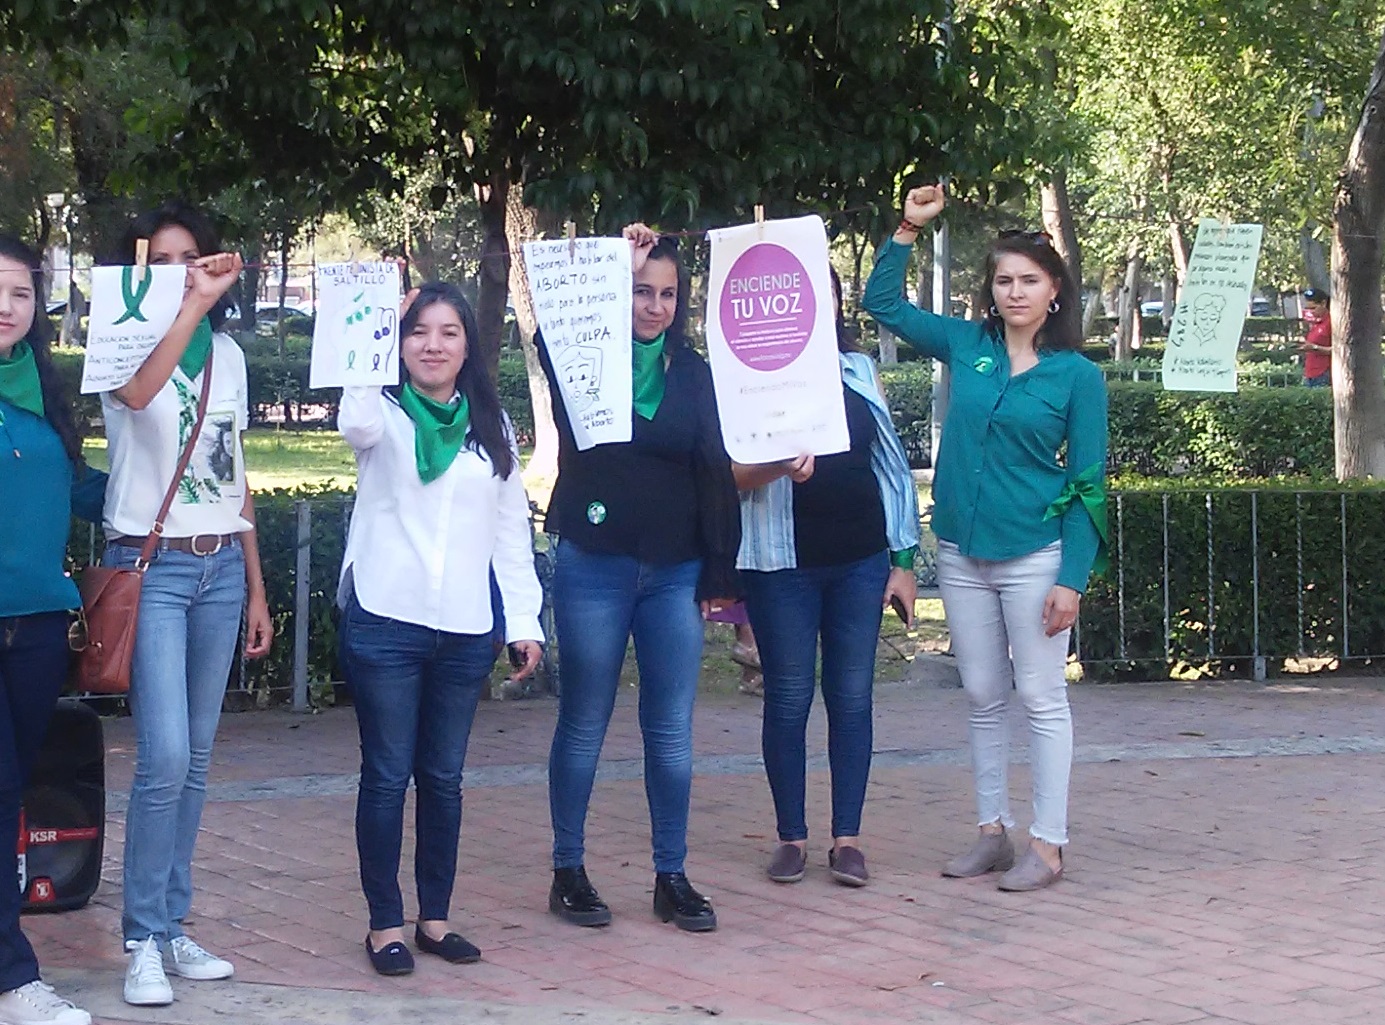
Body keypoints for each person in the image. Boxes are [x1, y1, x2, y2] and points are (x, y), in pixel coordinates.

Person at [864, 185, 1108, 892]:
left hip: (1035, 555)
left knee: (1041, 696)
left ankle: (1048, 844)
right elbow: (884, 304)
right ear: (990, 291)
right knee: (980, 693)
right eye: (1003, 281)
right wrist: (907, 227)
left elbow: (1088, 484)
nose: (1015, 292)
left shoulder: (1077, 376)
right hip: (961, 553)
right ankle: (991, 831)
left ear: (1054, 290)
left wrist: (1072, 579)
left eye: (1028, 280)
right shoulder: (967, 345)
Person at [336, 281, 544, 976]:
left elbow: (510, 532)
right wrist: (376, 324)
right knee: (386, 775)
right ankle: (384, 925)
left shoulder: (491, 425)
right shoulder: (381, 412)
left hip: (463, 626)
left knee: (444, 779)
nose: (432, 345)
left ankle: (435, 919)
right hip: (385, 620)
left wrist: (524, 621)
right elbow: (353, 423)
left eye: (448, 332)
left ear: (468, 345)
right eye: (417, 331)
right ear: (399, 344)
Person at [541, 225, 740, 933]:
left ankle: (671, 874)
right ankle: (568, 870)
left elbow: (713, 469)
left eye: (667, 293)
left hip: (673, 572)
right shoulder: (585, 359)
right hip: (594, 564)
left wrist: (719, 569)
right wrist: (610, 268)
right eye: (639, 291)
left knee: (671, 729)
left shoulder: (694, 373)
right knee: (584, 720)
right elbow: (550, 336)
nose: (654, 306)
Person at [100, 203, 273, 1006]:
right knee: (164, 756)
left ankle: (171, 923)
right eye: (161, 261)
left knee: (197, 757)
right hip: (153, 568)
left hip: (219, 568)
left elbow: (234, 472)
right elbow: (140, 396)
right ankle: (140, 935)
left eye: (190, 257)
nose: (178, 271)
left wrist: (257, 585)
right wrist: (191, 305)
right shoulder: (121, 344)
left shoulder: (228, 355)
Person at [734, 266, 920, 888]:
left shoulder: (858, 370)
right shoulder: (750, 379)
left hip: (860, 562)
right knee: (788, 698)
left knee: (852, 697)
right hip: (780, 565)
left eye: (824, 292)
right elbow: (726, 474)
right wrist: (777, 463)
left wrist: (903, 560)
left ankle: (848, 840)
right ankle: (791, 837)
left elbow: (890, 465)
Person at [0, 236, 103, 1025]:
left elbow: (82, 489)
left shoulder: (44, 391)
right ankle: (14, 977)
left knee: (12, 789)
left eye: (21, 293)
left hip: (38, 629)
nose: (6, 306)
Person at [1299, 288, 1331, 387]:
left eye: (1313, 308)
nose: (1311, 312)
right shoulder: (1315, 323)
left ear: (1323, 303)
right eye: (1308, 308)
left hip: (1323, 373)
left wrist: (1315, 348)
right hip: (1309, 373)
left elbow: (1339, 349)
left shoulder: (1330, 323)